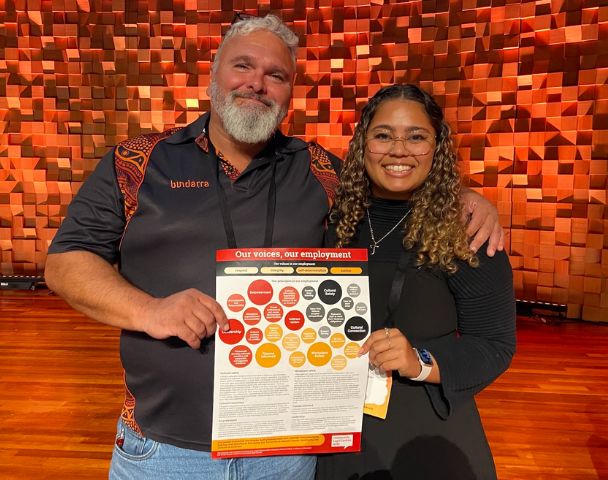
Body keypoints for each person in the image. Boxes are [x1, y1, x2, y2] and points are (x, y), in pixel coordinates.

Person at [44, 14, 504, 480]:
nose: (257, 84)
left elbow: (397, 175)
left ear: (289, 92)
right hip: (165, 449)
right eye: (243, 66)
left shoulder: (323, 171)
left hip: (288, 450)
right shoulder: (137, 162)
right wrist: (149, 311)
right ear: (213, 75)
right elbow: (65, 262)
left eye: (276, 75)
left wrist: (467, 198)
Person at [316, 84, 516, 479]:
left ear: (436, 148)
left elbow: (495, 345)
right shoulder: (333, 217)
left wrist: (420, 362)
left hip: (420, 435)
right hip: (333, 425)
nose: (398, 150)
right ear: (362, 143)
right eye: (383, 135)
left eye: (416, 136)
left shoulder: (464, 229)